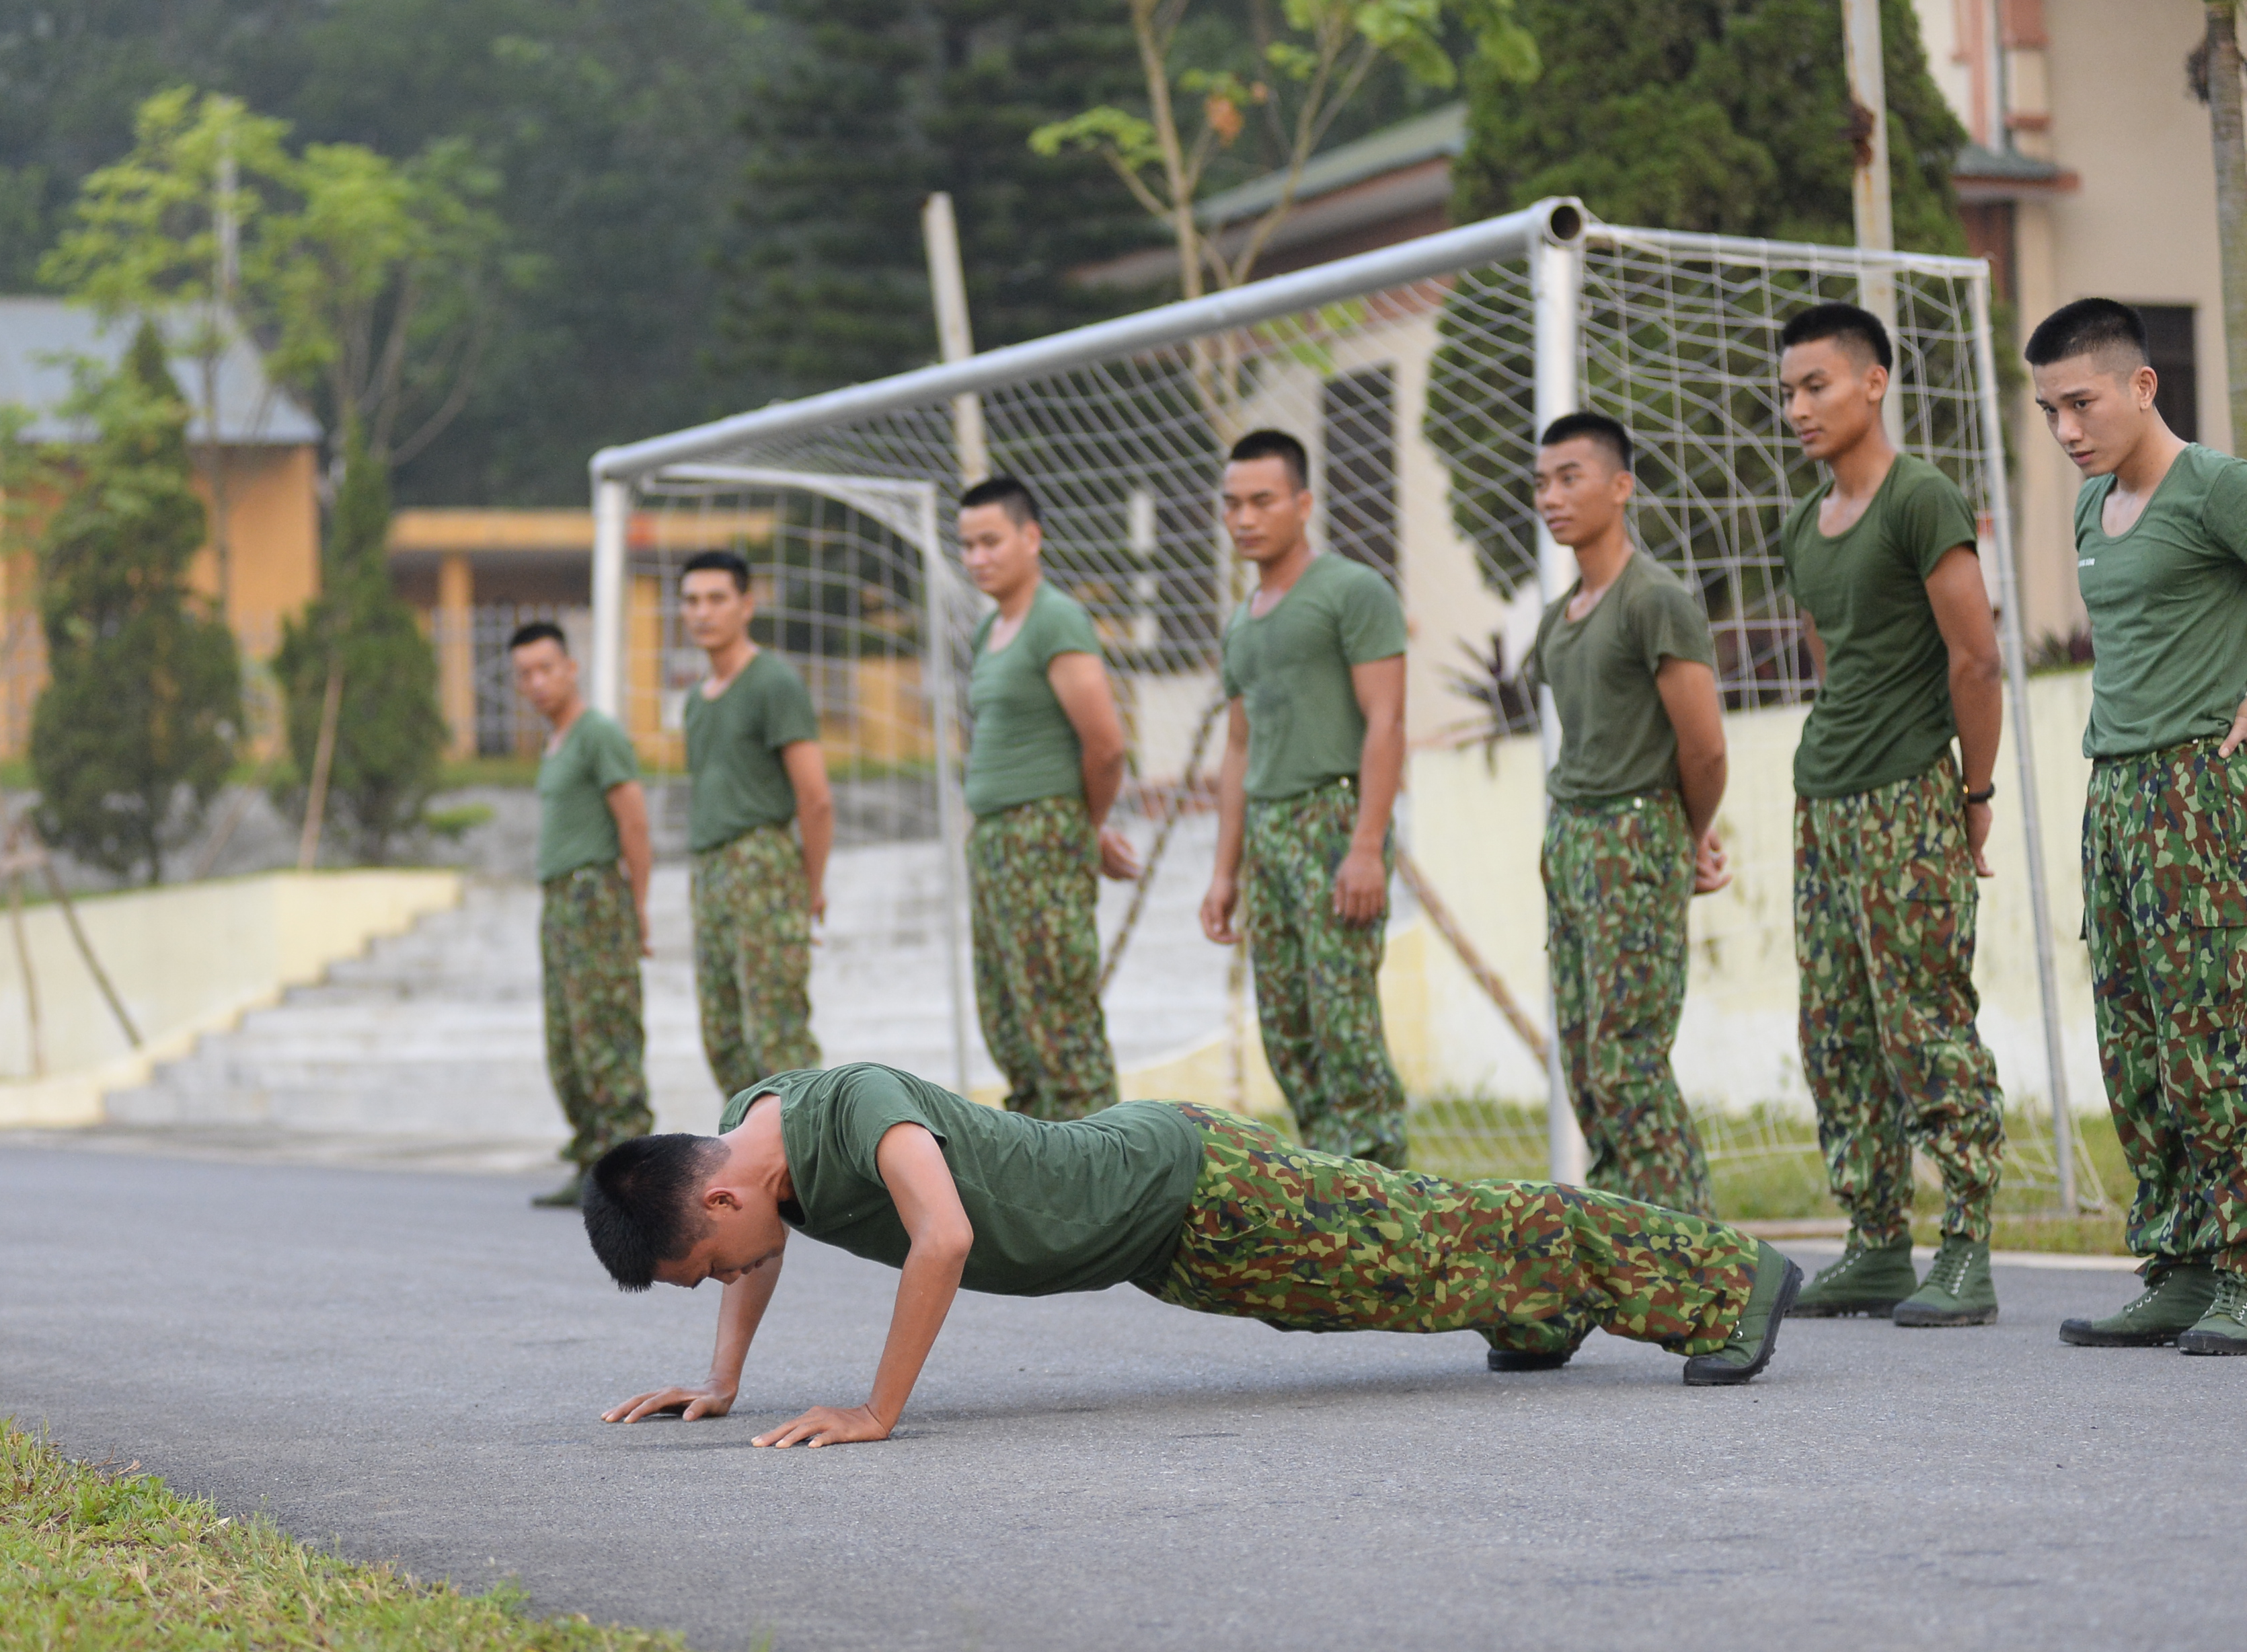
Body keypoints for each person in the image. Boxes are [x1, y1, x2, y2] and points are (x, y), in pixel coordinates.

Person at [582, 1063, 1804, 1447]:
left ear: (729, 1191)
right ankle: (1538, 1309)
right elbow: (767, 1255)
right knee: (1381, 1287)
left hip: (1193, 1181)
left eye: (714, 1261)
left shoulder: (850, 1107)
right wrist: (727, 1377)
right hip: (1162, 1236)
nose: (735, 1275)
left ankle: (1724, 1282)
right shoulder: (757, 1153)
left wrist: (875, 1409)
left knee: (1434, 1231)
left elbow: (943, 1234)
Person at [1773, 302, 2008, 1326]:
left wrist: (1975, 796)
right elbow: (1830, 665)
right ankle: (1874, 1241)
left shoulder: (1922, 499)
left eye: (1815, 385)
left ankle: (1966, 1242)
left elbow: (1978, 658)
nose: (1797, 408)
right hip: (1822, 803)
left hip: (1912, 791)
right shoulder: (1799, 527)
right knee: (1834, 1027)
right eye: (1787, 392)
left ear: (1873, 382)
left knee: (1924, 1018)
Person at [2026, 298, 2247, 1357]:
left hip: (2197, 795)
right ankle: (2183, 1262)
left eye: (2082, 403)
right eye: (2049, 412)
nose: (2066, 430)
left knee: (2217, 1039)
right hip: (2113, 795)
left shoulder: (2215, 489)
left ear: (2141, 386)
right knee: (2139, 1044)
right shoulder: (2089, 509)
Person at [1527, 412, 1731, 1215]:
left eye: (1569, 477)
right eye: (1541, 481)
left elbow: (1705, 748)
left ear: (1620, 486)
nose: (1551, 496)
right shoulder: (1560, 616)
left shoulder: (1655, 601)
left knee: (1628, 1060)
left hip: (1634, 833)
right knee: (1584, 1065)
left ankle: (1708, 1263)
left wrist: (1688, 831)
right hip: (1572, 838)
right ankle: (1625, 1252)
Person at [1199, 429, 1408, 1167]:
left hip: (1334, 820)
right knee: (1287, 1028)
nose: (1245, 518)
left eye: (1262, 500)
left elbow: (1387, 721)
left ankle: (1384, 1201)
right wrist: (1225, 871)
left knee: (1345, 1025)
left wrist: (1365, 846)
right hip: (1267, 833)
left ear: (1303, 502)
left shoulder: (1352, 590)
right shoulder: (1240, 620)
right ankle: (1330, 1197)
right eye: (1232, 503)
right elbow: (1238, 748)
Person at [957, 474, 1139, 1120]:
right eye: (968, 545)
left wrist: (1082, 828)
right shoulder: (990, 632)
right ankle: (1042, 1180)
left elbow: (1106, 744)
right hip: (995, 844)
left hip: (1043, 835)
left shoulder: (1055, 618)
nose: (978, 558)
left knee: (1061, 1025)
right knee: (1009, 1023)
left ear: (1031, 538)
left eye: (991, 541)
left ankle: (1108, 1183)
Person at [679, 550, 833, 1098]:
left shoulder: (773, 682)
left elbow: (814, 797)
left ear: (747, 605)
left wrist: (810, 887)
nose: (703, 612)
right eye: (692, 600)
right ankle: (752, 1168)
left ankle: (813, 1168)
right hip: (711, 870)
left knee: (776, 1031)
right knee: (722, 1033)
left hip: (763, 863)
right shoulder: (695, 701)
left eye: (717, 599)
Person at [512, 621, 652, 1209]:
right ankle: (592, 1161)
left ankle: (632, 1171)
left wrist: (638, 907)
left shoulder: (597, 733)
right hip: (560, 901)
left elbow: (635, 823)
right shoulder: (557, 741)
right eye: (526, 674)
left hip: (596, 894)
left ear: (571, 668)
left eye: (547, 668)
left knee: (605, 1031)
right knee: (567, 1038)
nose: (538, 682)